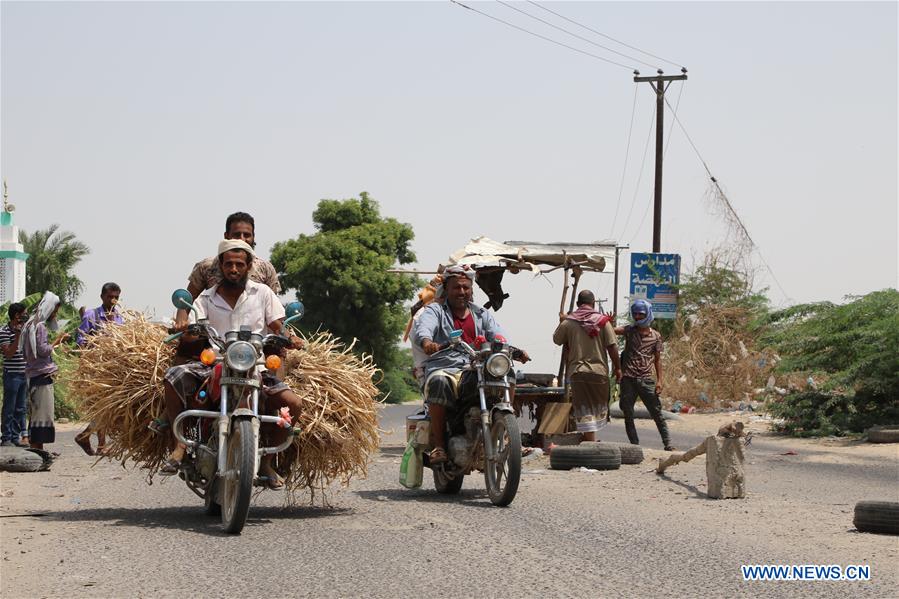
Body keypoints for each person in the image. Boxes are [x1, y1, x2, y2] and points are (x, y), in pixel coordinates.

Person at [161, 240, 303, 487]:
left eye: (239, 264)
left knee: (293, 403)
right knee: (173, 377)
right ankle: (180, 446)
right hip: (215, 361)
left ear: (248, 266)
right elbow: (193, 326)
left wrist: (289, 336)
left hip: (255, 363)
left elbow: (278, 324)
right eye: (229, 264)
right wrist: (185, 328)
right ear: (221, 266)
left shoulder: (263, 293)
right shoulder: (206, 298)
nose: (234, 269)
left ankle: (268, 461)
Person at [411, 265, 529, 465]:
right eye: (457, 288)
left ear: (472, 290)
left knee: (506, 370)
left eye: (466, 287)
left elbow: (499, 335)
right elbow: (424, 330)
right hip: (445, 366)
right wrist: (427, 343)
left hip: (475, 367)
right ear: (446, 289)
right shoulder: (435, 310)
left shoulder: (481, 313)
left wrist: (512, 350)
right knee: (439, 381)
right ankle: (439, 446)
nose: (462, 292)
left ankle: (506, 431)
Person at [173, 212, 281, 331]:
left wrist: (285, 337)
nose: (242, 239)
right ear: (226, 236)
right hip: (216, 337)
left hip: (255, 340)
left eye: (247, 235)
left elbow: (274, 312)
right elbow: (188, 299)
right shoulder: (206, 266)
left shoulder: (266, 268)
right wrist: (181, 323)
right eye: (236, 234)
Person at [552, 290, 621, 442]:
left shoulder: (569, 322)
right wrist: (618, 368)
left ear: (577, 304)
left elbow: (557, 339)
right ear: (594, 303)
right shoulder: (603, 321)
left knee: (584, 410)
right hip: (599, 372)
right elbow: (612, 346)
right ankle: (589, 442)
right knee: (594, 410)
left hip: (578, 372)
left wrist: (562, 320)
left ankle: (588, 442)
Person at [614, 299, 675, 451]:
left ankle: (668, 443)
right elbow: (611, 330)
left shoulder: (656, 336)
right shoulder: (629, 330)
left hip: (646, 380)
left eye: (641, 314)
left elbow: (658, 361)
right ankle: (635, 445)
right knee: (628, 413)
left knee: (656, 413)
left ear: (647, 314)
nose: (638, 317)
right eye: (635, 314)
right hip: (628, 379)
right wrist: (608, 322)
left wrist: (660, 381)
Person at [74, 282, 125, 455]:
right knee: (101, 406)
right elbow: (80, 341)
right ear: (102, 296)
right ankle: (94, 440)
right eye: (110, 297)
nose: (113, 300)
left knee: (107, 407)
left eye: (116, 297)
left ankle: (97, 442)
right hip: (95, 370)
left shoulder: (119, 318)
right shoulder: (92, 315)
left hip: (113, 370)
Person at [20, 292, 70, 449]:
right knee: (42, 414)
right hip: (41, 375)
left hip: (33, 374)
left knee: (36, 414)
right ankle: (37, 448)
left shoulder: (29, 324)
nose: (55, 315)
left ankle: (36, 448)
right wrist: (58, 341)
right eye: (54, 311)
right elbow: (42, 350)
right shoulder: (39, 326)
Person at [1, 303, 30, 447]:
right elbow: (9, 353)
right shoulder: (4, 331)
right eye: (24, 313)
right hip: (11, 374)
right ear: (16, 315)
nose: (26, 316)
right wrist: (17, 335)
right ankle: (6, 437)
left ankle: (15, 436)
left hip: (23, 373)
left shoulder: (25, 330)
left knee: (21, 407)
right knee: (9, 407)